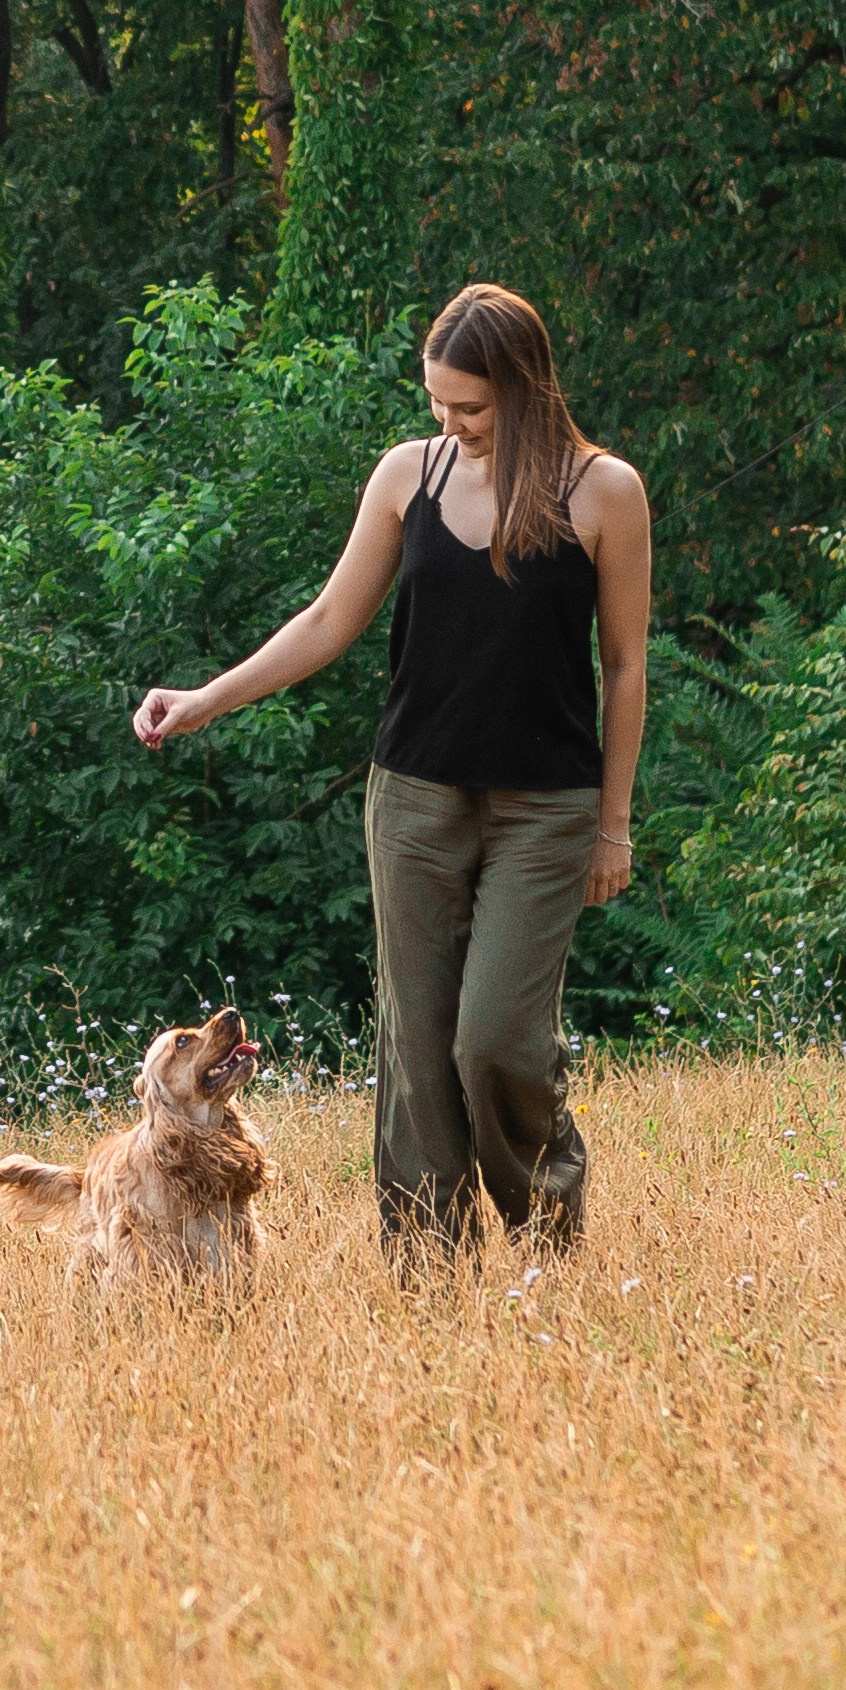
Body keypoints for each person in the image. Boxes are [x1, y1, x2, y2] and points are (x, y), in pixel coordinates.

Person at [132, 283, 651, 1254]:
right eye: (438, 402)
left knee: (494, 1038)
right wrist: (204, 698)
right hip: (413, 800)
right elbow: (329, 621)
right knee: (414, 1054)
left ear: (527, 388)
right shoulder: (405, 476)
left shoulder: (604, 492)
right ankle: (426, 1273)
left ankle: (548, 1236)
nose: (450, 422)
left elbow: (624, 667)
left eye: (471, 406)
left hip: (546, 810)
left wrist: (612, 822)